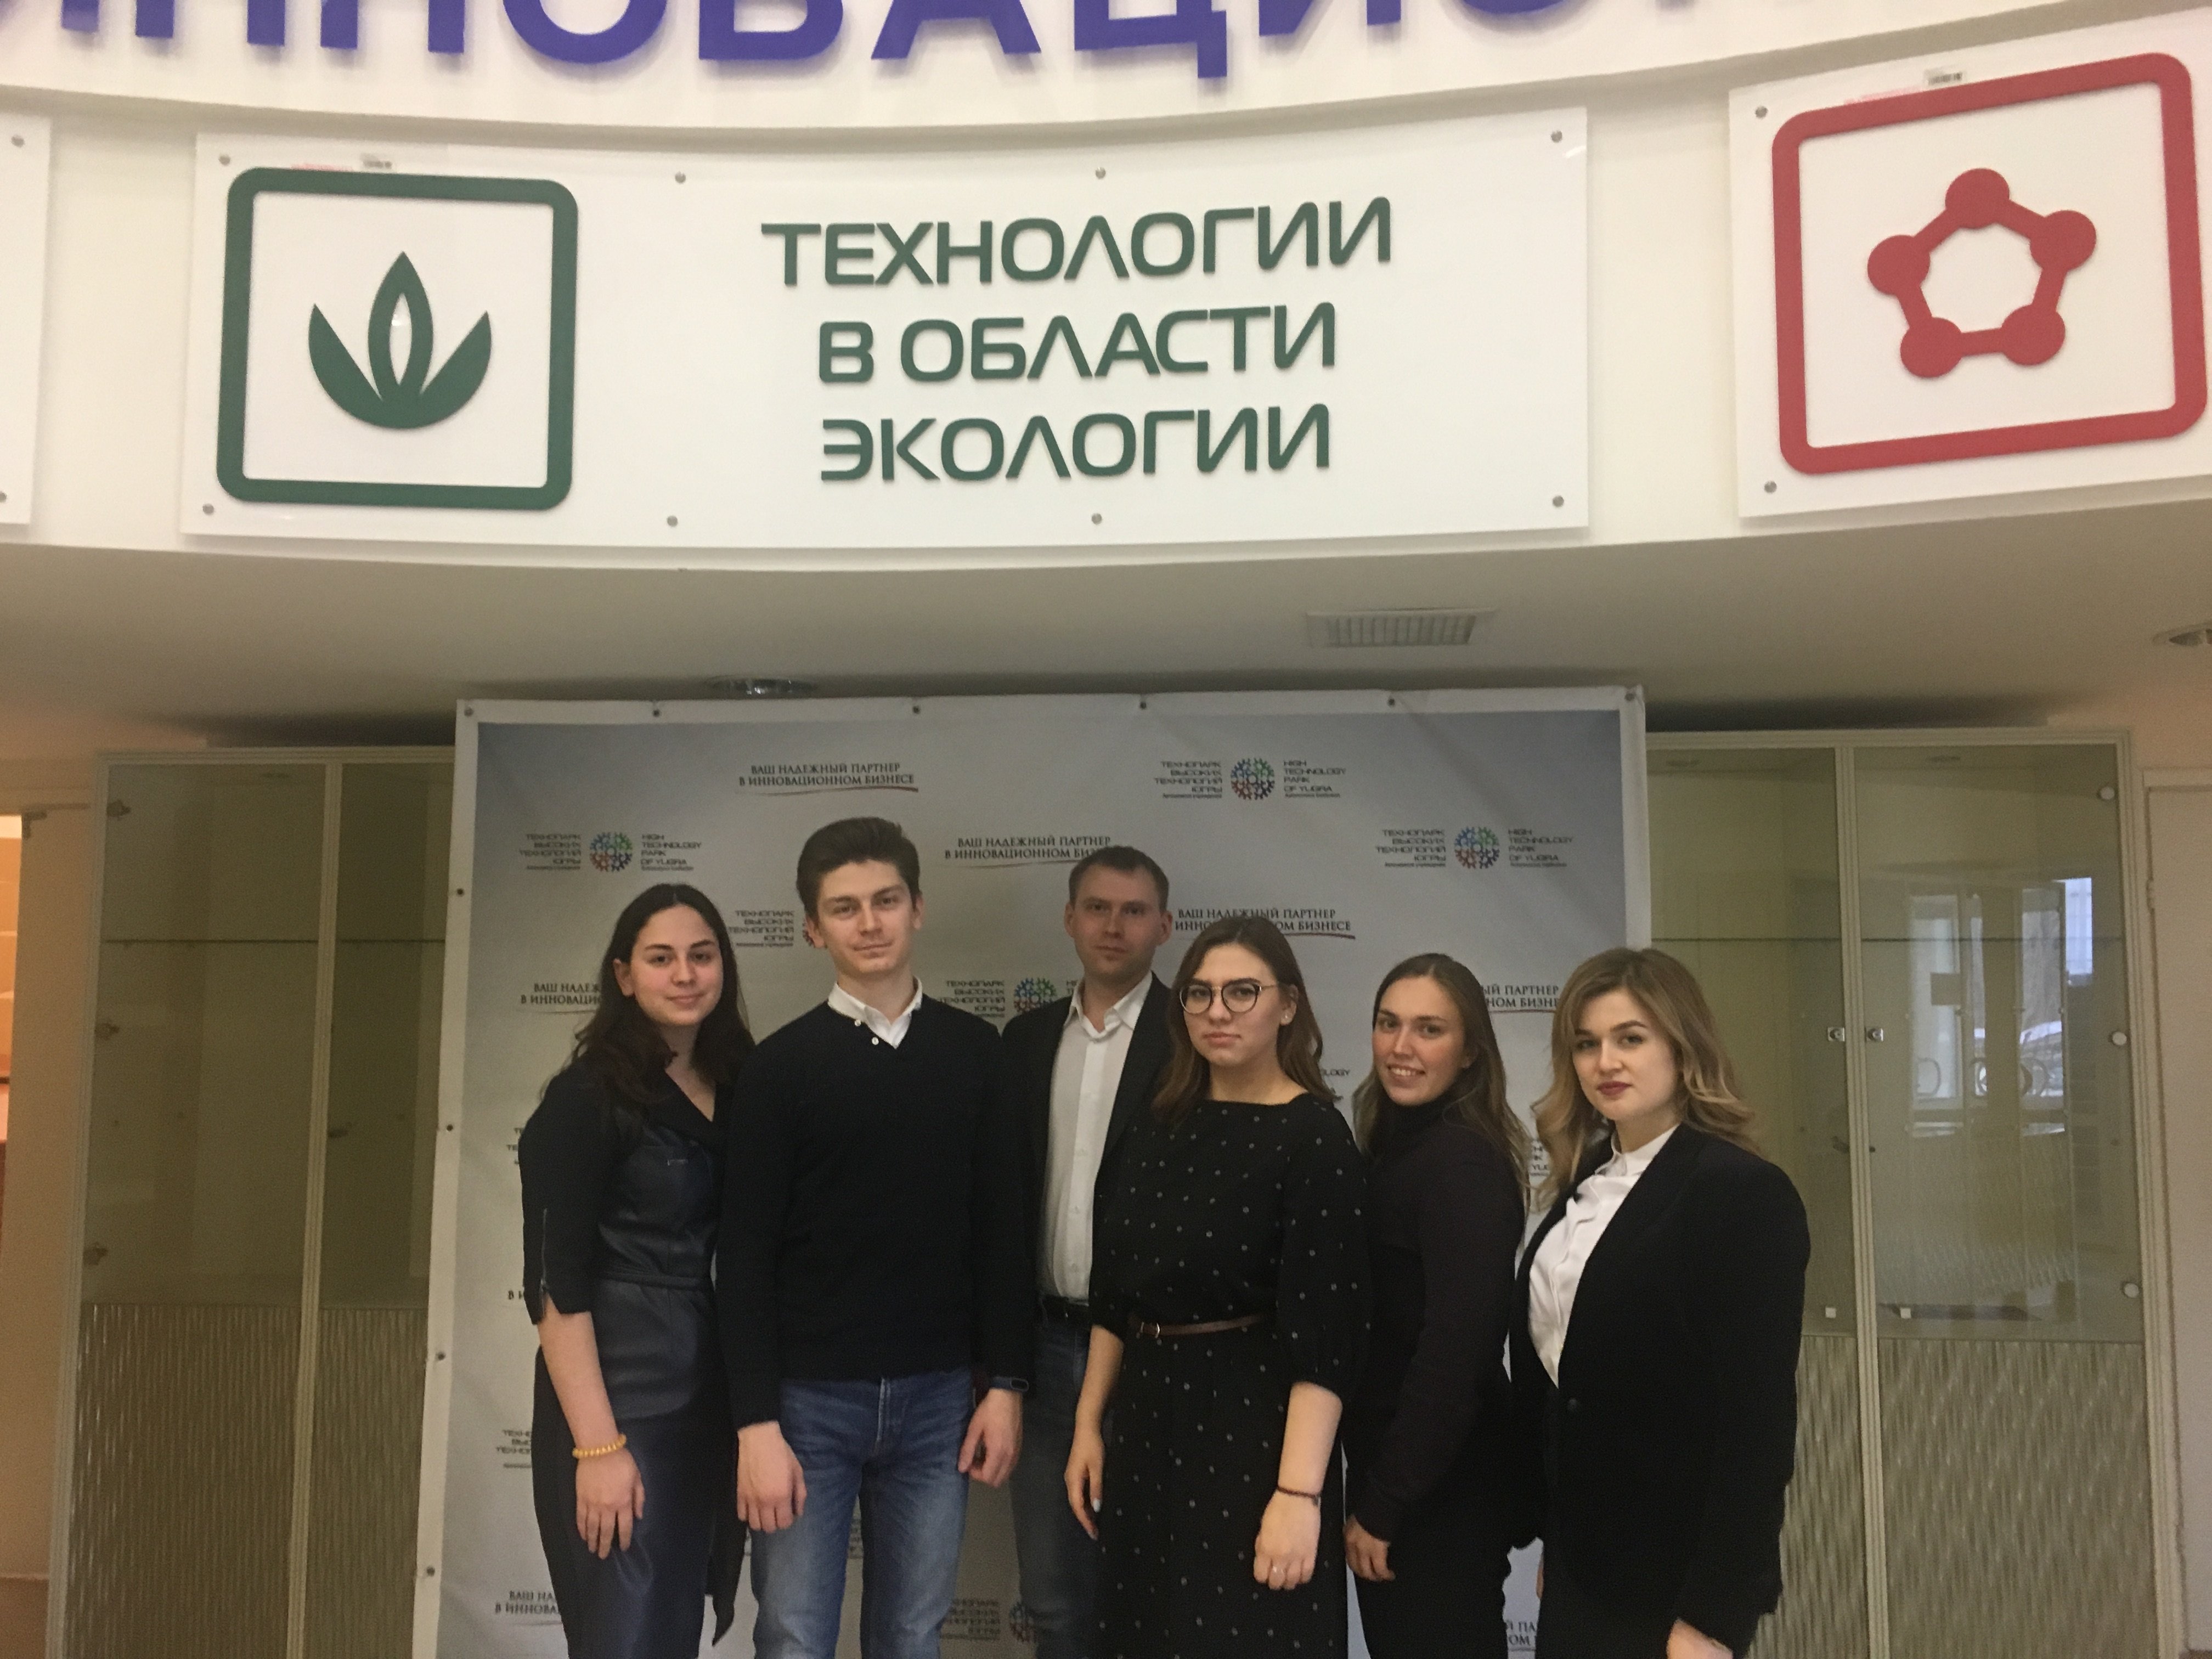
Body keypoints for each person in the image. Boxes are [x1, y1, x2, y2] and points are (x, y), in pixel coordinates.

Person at [718, 817, 1032, 1659]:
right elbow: (742, 1257)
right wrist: (755, 1423)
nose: (869, 923)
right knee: (793, 1635)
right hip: (805, 1406)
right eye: (845, 908)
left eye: (886, 901)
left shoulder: (977, 1053)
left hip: (939, 1401)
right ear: (813, 929)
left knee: (911, 1635)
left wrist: (1007, 1383)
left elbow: (1003, 1230)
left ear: (918, 908)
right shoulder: (777, 1070)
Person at [1068, 913, 1368, 1659]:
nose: (1218, 1011)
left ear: (1288, 1005)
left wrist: (1299, 1496)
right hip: (1146, 1422)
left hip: (1253, 1434)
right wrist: (1088, 1425)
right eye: (1199, 994)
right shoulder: (1156, 1123)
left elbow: (1327, 1342)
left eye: (1242, 992)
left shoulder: (1314, 1139)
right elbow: (1114, 1296)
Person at [1510, 948, 1809, 1659]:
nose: (1605, 1062)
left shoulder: (1741, 1193)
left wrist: (1714, 1615)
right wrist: (1560, 1543)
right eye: (1587, 1044)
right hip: (1584, 1568)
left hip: (1677, 1587)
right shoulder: (1587, 1184)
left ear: (1683, 1046)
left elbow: (1756, 1428)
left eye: (1631, 1038)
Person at [518, 884, 755, 1659]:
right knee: (626, 1638)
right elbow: (554, 1287)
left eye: (701, 955)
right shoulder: (585, 1098)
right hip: (622, 1404)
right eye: (661, 958)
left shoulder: (744, 1085)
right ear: (624, 975)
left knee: (670, 1635)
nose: (685, 974)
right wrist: (598, 1448)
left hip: (708, 1402)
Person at [1000, 848, 1177, 1659]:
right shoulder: (1025, 1039)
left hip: (1153, 1354)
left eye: (1134, 911)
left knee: (1151, 1591)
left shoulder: (1196, 1039)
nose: (1114, 926)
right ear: (1070, 919)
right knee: (1055, 1598)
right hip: (1042, 1352)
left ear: (1164, 926)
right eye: (1098, 908)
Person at [1342, 955, 1528, 1659]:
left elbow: (1456, 1357)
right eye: (1388, 1024)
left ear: (1470, 1050)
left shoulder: (1462, 1166)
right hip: (1405, 1478)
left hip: (1439, 1492)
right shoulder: (1396, 1148)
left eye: (1429, 1029)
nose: (1401, 1047)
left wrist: (1387, 1502)